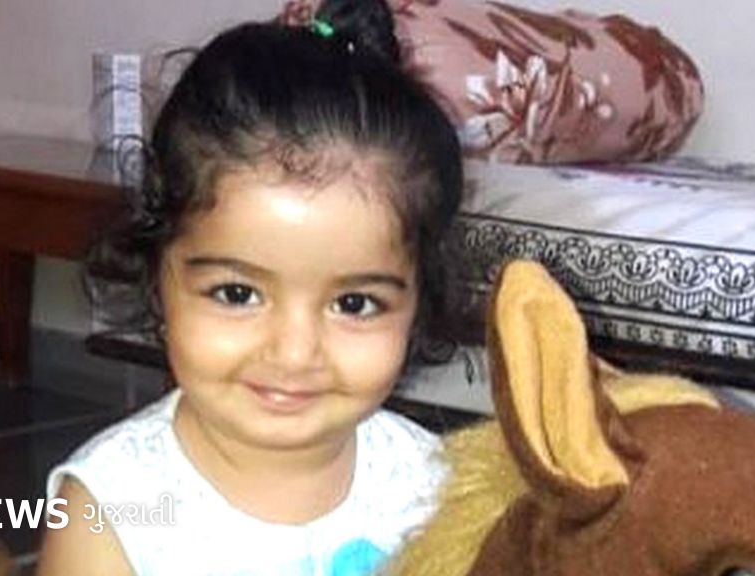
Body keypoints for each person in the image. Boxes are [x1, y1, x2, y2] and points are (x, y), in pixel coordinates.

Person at [36, 0, 464, 573]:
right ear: (160, 276)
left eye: (354, 304)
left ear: (418, 301)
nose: (294, 352)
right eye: (237, 294)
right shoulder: (112, 507)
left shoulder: (436, 489)